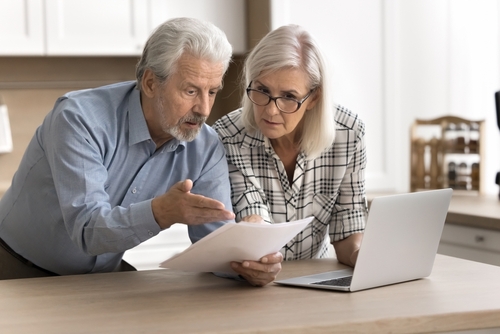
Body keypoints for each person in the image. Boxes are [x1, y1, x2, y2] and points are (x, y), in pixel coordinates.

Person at [0, 17, 281, 286]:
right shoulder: (80, 119)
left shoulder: (205, 146)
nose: (204, 110)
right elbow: (87, 231)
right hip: (17, 269)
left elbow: (216, 244)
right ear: (150, 83)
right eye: (191, 91)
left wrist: (250, 265)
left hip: (102, 278)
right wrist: (160, 212)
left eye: (212, 91)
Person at [213, 24, 367, 268]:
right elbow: (254, 218)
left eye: (289, 97)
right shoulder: (228, 136)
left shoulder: (348, 134)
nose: (271, 110)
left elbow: (348, 231)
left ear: (314, 97)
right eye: (262, 90)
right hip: (250, 281)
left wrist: (365, 257)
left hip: (315, 279)